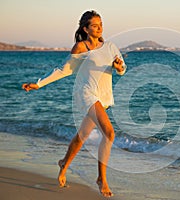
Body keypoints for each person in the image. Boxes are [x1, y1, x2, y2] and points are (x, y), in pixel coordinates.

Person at [22, 10, 126, 198]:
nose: (100, 28)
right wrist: (39, 84)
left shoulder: (111, 46)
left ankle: (63, 163)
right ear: (85, 28)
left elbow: (122, 69)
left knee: (83, 135)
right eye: (95, 25)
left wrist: (119, 68)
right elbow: (63, 70)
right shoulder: (80, 48)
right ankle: (101, 179)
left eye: (101, 24)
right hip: (87, 94)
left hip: (103, 97)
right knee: (109, 132)